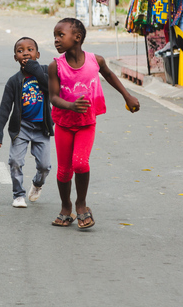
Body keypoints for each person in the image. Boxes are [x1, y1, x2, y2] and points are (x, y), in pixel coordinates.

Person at [48, 18, 140, 229]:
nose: (56, 40)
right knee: (63, 171)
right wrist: (70, 106)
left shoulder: (95, 61)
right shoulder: (55, 66)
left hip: (86, 123)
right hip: (63, 123)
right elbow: (53, 97)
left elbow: (109, 75)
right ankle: (65, 206)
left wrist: (127, 96)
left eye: (60, 35)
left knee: (80, 163)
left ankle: (81, 205)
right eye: (55, 36)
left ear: (77, 38)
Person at [0, 37, 53, 208]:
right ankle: (18, 194)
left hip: (42, 127)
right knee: (15, 162)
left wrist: (36, 71)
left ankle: (38, 184)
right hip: (22, 127)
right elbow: (4, 108)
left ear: (38, 54)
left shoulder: (47, 71)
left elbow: (52, 88)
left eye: (30, 49)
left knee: (44, 166)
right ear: (15, 58)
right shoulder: (14, 81)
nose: (25, 53)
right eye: (20, 51)